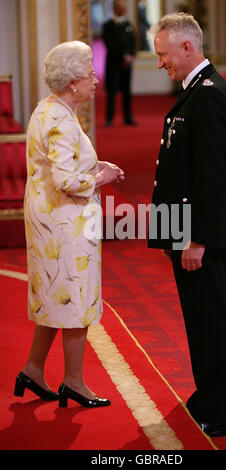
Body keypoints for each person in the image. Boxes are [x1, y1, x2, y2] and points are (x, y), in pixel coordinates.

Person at [14, 40, 124, 408]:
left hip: (49, 219)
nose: (95, 81)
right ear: (72, 82)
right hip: (64, 226)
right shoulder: (60, 119)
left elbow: (59, 168)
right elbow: (67, 181)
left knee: (53, 296)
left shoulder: (48, 110)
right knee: (75, 301)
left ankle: (32, 369)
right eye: (90, 75)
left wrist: (93, 167)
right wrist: (102, 177)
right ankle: (74, 382)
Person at [147, 13, 226, 437]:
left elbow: (212, 176)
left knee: (209, 320)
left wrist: (195, 239)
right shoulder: (193, 92)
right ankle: (206, 395)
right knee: (198, 319)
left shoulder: (209, 94)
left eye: (164, 55)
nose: (161, 63)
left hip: (196, 233)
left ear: (188, 48)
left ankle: (217, 410)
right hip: (183, 227)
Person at [103, 0, 137, 126]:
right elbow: (109, 44)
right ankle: (109, 118)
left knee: (127, 91)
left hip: (126, 64)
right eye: (119, 7)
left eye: (123, 7)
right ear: (114, 9)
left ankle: (128, 118)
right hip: (113, 63)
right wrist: (123, 56)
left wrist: (130, 56)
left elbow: (132, 41)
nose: (122, 9)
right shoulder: (108, 25)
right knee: (112, 92)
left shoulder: (128, 24)